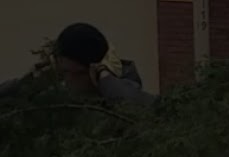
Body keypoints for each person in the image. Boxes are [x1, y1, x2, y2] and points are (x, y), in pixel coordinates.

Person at [0, 23, 153, 104]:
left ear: (92, 71)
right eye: (63, 72)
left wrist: (105, 77)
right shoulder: (61, 101)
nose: (67, 80)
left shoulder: (125, 91)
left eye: (73, 73)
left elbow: (137, 106)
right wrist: (30, 81)